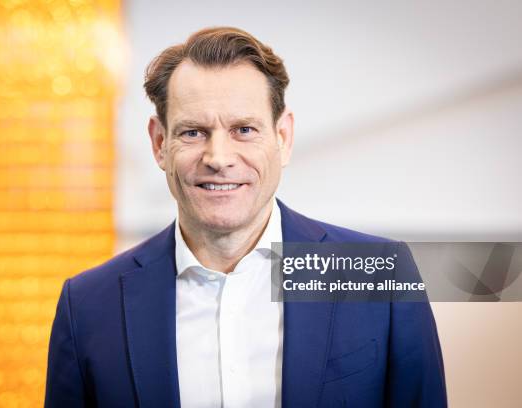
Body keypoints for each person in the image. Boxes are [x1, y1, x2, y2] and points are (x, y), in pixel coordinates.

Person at [45, 27, 447, 407]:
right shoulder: (86, 307)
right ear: (159, 143)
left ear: (283, 138)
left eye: (243, 129)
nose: (218, 158)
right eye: (193, 132)